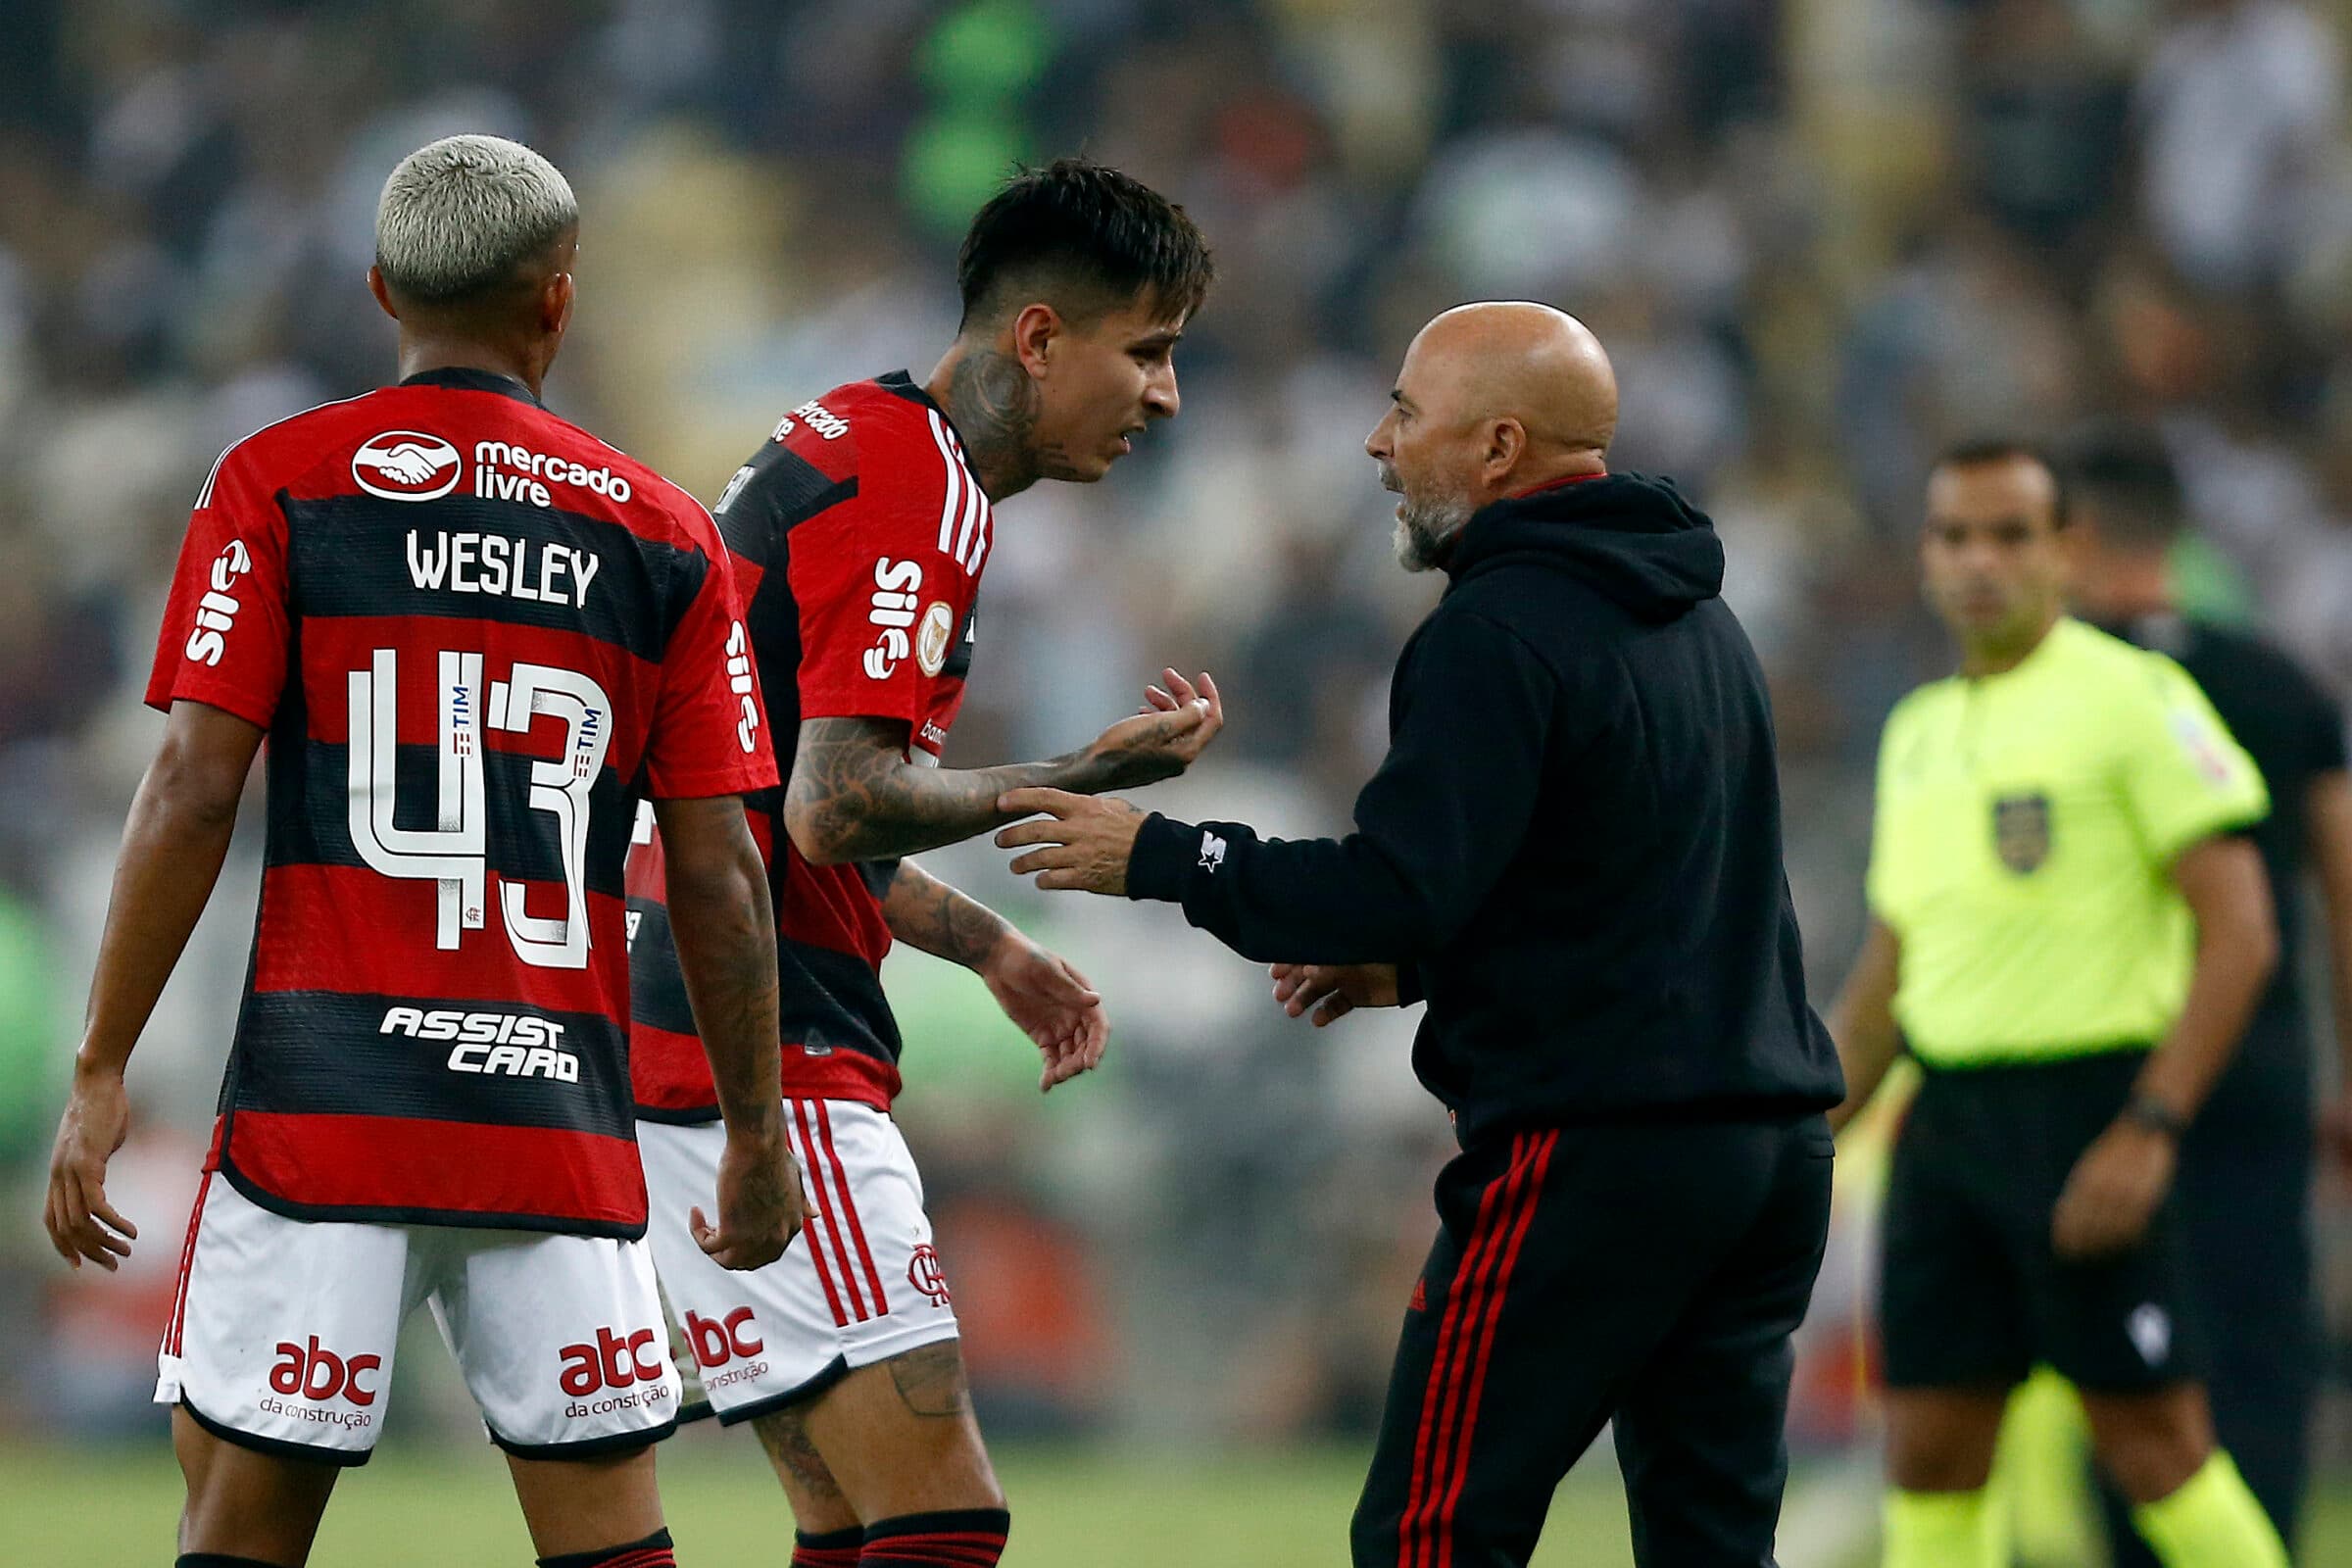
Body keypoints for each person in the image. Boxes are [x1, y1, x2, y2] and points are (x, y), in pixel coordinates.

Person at [40, 135, 802, 1568]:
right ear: (559, 305)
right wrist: (756, 1131)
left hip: (324, 1116)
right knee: (614, 1548)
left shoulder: (276, 483)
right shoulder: (666, 535)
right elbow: (718, 873)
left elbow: (194, 790)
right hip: (555, 1127)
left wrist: (102, 1063)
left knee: (240, 1530)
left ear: (382, 288)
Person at [996, 301, 1846, 1568]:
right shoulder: (1702, 623)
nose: (1378, 444)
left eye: (1406, 412)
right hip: (1764, 1152)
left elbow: (1402, 882)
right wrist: (1420, 965)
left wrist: (1161, 854)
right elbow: (1624, 890)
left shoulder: (1498, 627)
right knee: (1711, 1543)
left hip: (1595, 1146)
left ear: (1498, 449)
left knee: (1432, 1537)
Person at [623, 158, 1218, 1568]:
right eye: (1148, 352)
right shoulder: (920, 490)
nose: (1165, 397)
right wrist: (1088, 770)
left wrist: (990, 945)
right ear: (1038, 337)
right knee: (945, 1521)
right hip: (757, 1037)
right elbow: (839, 806)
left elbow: (767, 799)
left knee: (846, 1518)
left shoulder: (848, 434)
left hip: (683, 1006)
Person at [1825, 439, 2290, 1568]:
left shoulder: (2135, 699)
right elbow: (1893, 965)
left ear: (2066, 551)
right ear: (1927, 557)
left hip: (2088, 1111)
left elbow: (2243, 933)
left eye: (2010, 534)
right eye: (1955, 536)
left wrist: (2152, 1123)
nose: (1980, 560)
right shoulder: (1919, 729)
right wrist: (1802, 1130)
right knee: (1930, 1447)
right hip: (1947, 1127)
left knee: (2154, 1442)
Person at [2063, 422, 2352, 1564]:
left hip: (2106, 1075)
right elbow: (2340, 892)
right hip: (2259, 1076)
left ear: (2072, 537)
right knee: (2257, 1359)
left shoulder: (2058, 693)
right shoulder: (2276, 681)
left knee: (2122, 1366)